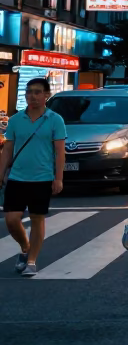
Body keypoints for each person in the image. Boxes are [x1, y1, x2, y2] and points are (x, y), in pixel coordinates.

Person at [1, 78, 68, 277]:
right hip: (17, 177)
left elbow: (60, 152)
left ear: (46, 95)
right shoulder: (15, 120)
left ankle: (31, 260)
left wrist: (58, 178)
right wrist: (1, 173)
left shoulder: (55, 119)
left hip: (42, 177)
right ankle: (25, 247)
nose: (33, 96)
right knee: (12, 219)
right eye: (29, 92)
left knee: (38, 218)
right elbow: (8, 150)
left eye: (38, 92)